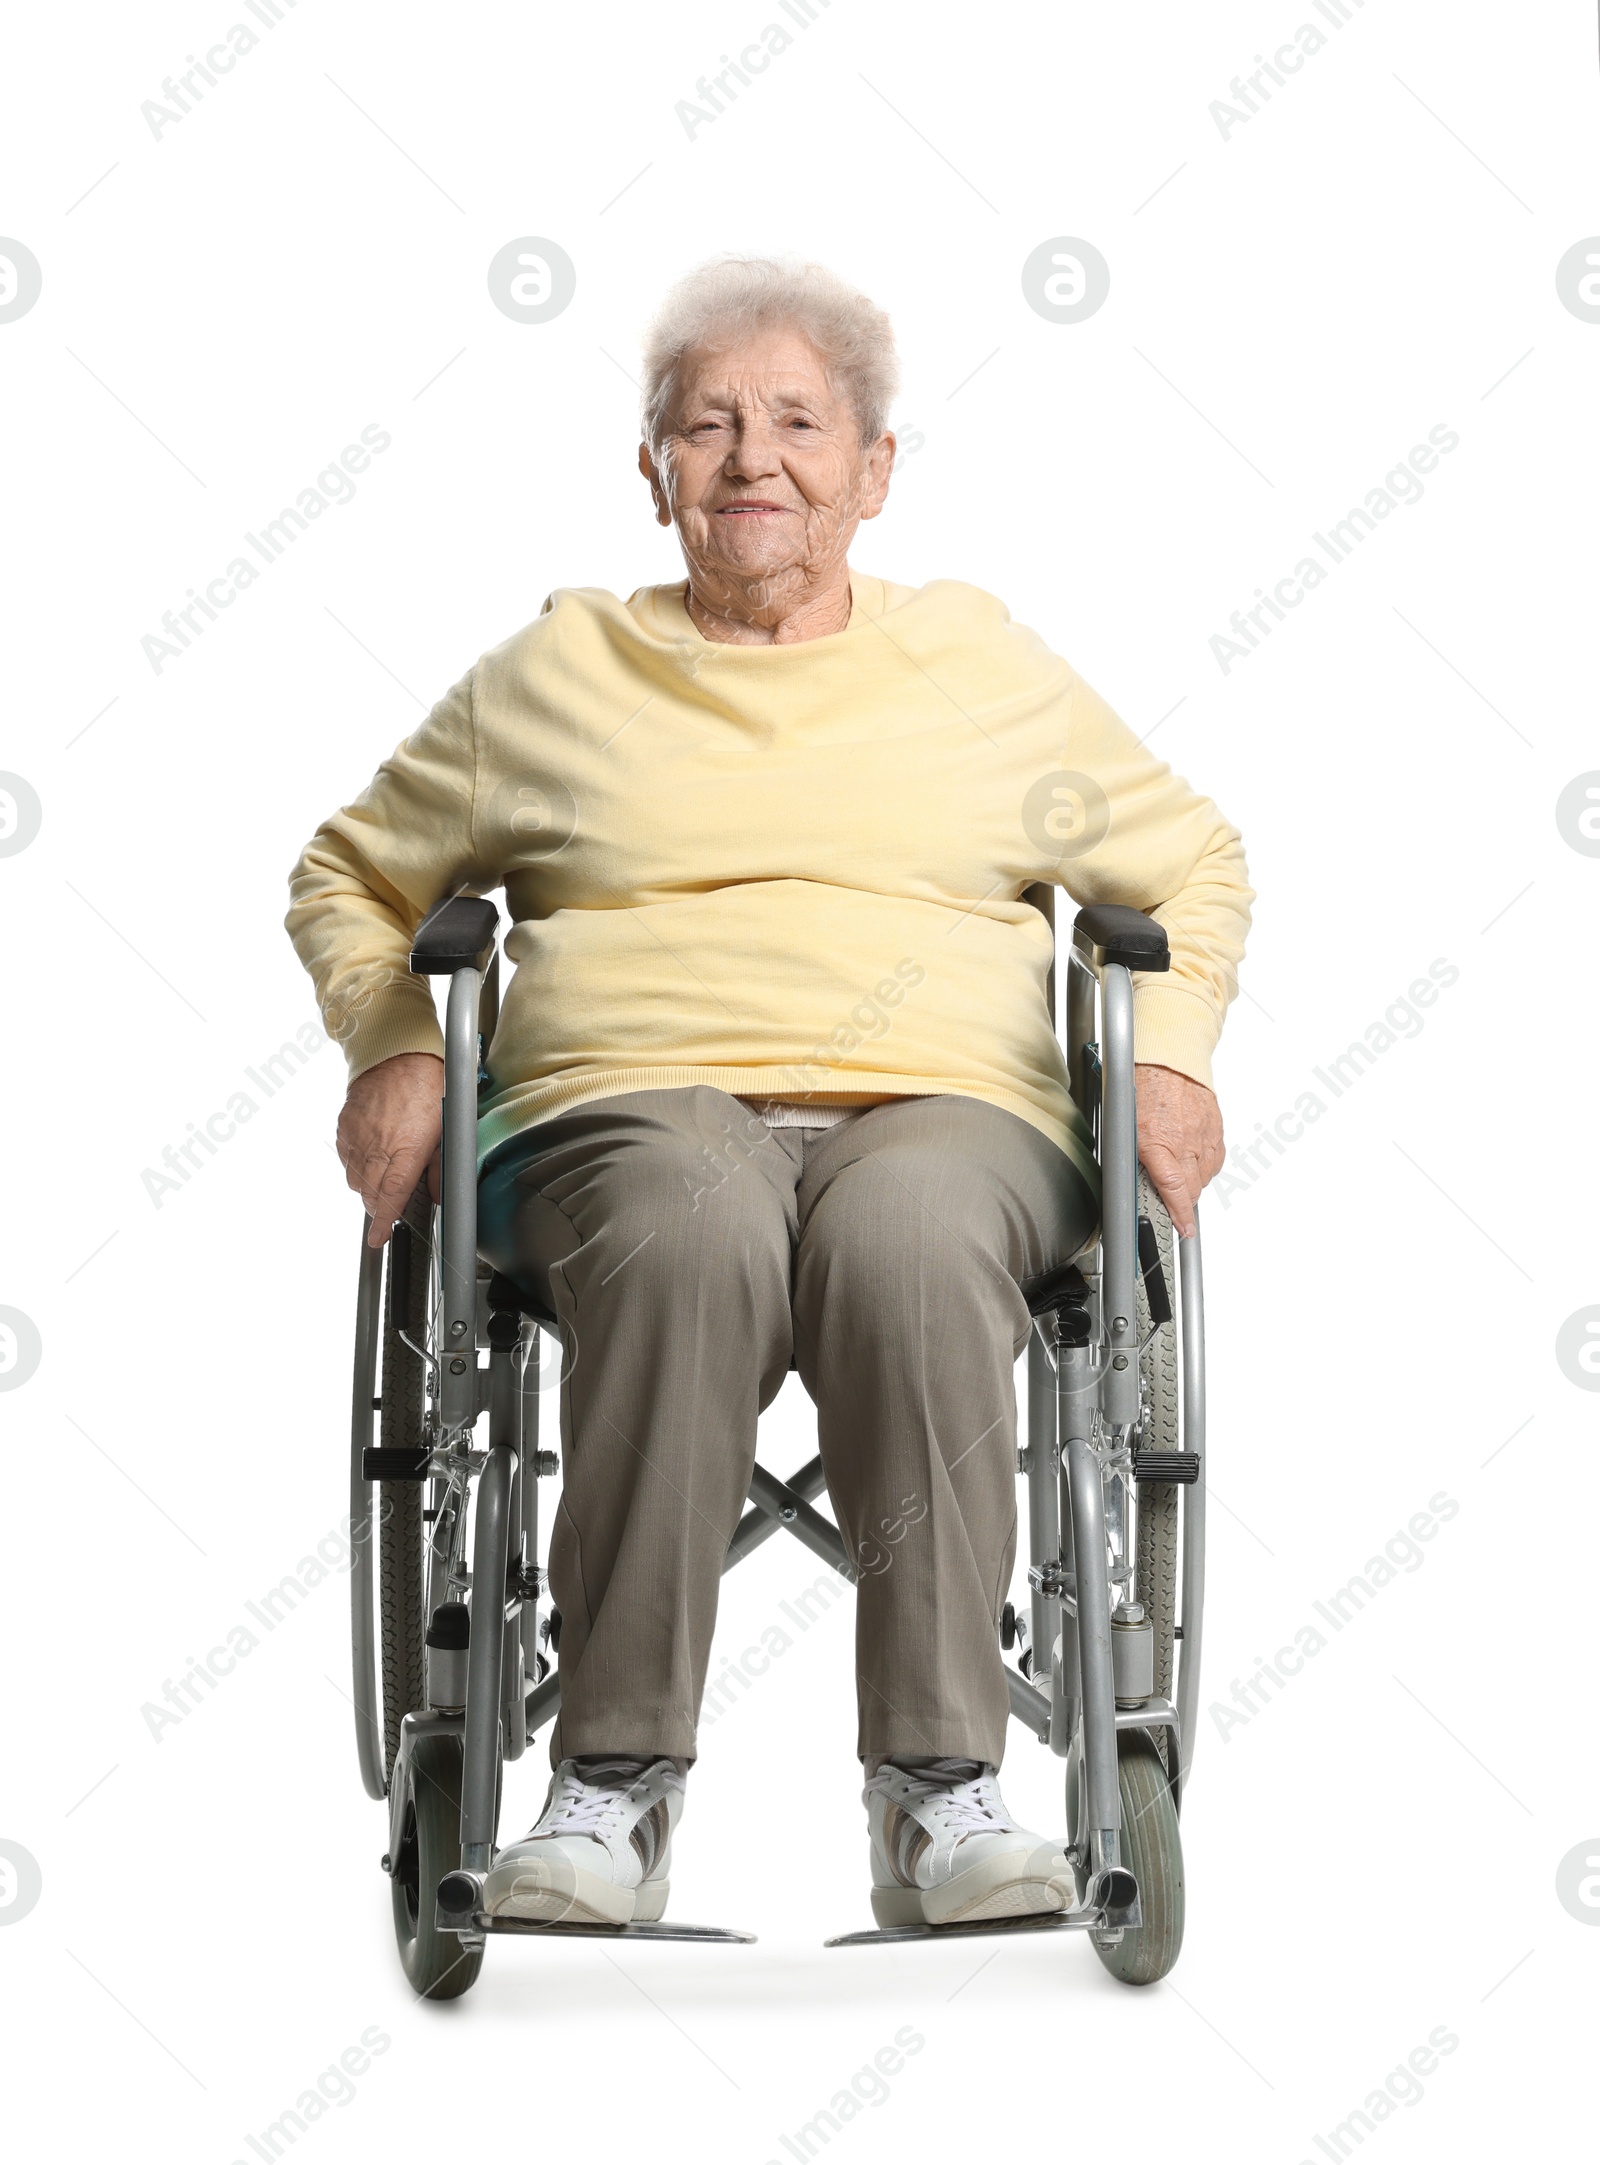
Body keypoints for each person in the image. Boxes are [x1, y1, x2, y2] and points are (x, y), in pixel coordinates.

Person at [287, 256, 1252, 1931]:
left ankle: (941, 1794)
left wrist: (1167, 1046)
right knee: (688, 1216)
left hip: (949, 1108)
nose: (756, 460)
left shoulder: (975, 662)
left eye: (801, 423)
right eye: (710, 424)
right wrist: (391, 1036)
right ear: (650, 470)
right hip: (627, 1110)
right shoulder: (558, 674)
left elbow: (1189, 858)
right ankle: (611, 1787)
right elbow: (353, 872)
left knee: (910, 1233)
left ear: (874, 473)